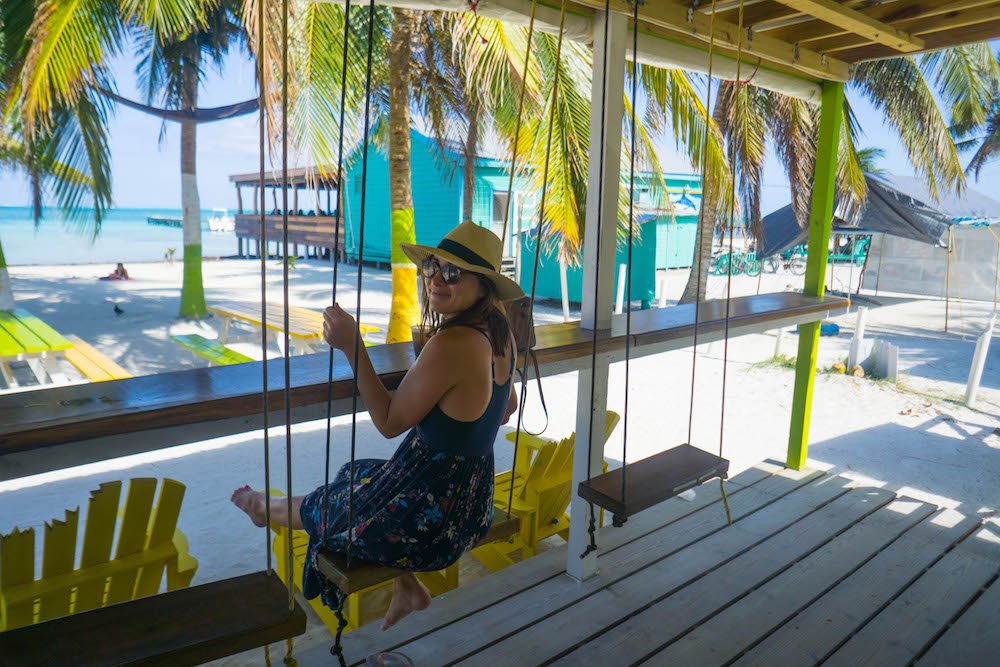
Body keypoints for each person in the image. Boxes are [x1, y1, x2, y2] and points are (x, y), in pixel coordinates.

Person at [232, 220, 523, 631]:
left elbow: (388, 422)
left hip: (434, 520)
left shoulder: (452, 344)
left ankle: (263, 507)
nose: (436, 279)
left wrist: (354, 346)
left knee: (327, 507)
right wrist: (457, 411)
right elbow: (506, 403)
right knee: (357, 474)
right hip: (471, 501)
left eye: (453, 273)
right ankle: (407, 588)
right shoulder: (499, 332)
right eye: (432, 267)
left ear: (483, 286)